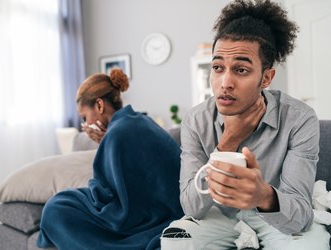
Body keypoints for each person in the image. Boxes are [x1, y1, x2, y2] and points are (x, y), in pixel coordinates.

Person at [161, 0, 330, 249]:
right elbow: (192, 207)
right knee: (175, 240)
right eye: (218, 67)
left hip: (276, 218)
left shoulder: (299, 118)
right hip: (219, 217)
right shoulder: (196, 121)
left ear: (266, 78)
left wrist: (263, 194)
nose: (225, 82)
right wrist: (229, 141)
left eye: (241, 70)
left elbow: (300, 216)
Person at [37, 69, 183, 249]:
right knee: (66, 200)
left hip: (147, 217)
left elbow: (104, 196)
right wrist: (104, 141)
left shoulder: (117, 133)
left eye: (85, 117)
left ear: (99, 105)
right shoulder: (140, 121)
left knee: (56, 208)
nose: (85, 125)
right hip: (170, 209)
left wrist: (106, 142)